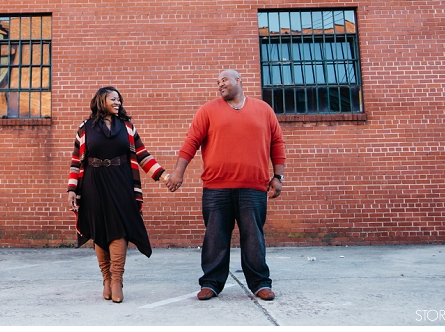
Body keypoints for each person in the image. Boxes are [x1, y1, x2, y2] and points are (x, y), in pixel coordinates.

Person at [166, 69, 286, 301]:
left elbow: (277, 142)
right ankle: (211, 283)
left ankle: (260, 283)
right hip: (216, 188)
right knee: (215, 236)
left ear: (239, 81)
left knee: (253, 237)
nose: (220, 85)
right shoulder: (208, 110)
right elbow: (191, 141)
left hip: (253, 187)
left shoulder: (263, 110)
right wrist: (178, 172)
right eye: (217, 82)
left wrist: (278, 177)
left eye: (224, 80)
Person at [67, 86, 167, 303]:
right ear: (101, 100)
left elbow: (142, 155)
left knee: (119, 228)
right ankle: (106, 278)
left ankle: (117, 280)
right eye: (113, 99)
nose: (118, 102)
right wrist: (72, 189)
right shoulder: (85, 128)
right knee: (99, 229)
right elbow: (76, 161)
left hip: (121, 182)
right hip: (93, 183)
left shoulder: (127, 127)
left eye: (119, 99)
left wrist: (162, 176)